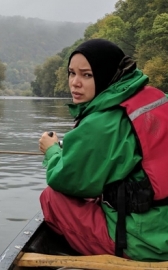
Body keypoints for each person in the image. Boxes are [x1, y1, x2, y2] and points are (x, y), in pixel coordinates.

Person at [38, 38, 168, 261]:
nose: (75, 83)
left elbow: (64, 179)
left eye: (87, 75)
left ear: (108, 74)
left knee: (52, 197)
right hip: (161, 226)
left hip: (145, 243)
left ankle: (93, 251)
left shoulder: (102, 122)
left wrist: (51, 151)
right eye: (72, 73)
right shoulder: (156, 99)